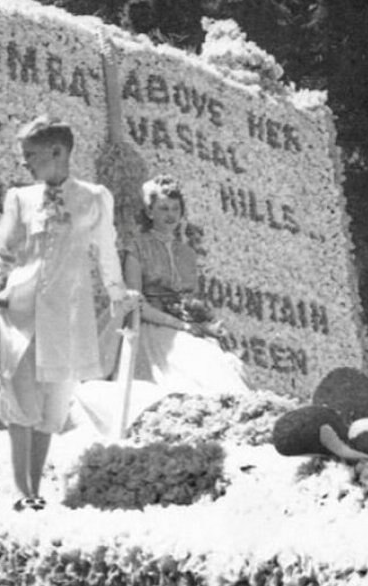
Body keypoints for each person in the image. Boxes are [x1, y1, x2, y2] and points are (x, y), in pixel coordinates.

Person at [0, 116, 138, 511]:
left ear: (57, 152)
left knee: (52, 405)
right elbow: (3, 253)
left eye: (31, 155)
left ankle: (36, 490)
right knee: (20, 400)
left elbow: (106, 253)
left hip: (67, 314)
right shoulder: (20, 199)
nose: (26, 164)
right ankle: (20, 491)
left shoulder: (95, 197)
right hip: (21, 311)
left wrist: (119, 294)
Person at [71, 174, 249, 437]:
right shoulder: (137, 247)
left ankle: (242, 415)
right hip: (150, 326)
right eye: (163, 208)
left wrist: (206, 324)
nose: (170, 215)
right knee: (194, 360)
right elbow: (135, 301)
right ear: (149, 211)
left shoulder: (187, 254)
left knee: (219, 361)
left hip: (182, 325)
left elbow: (191, 299)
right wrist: (182, 325)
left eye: (176, 208)